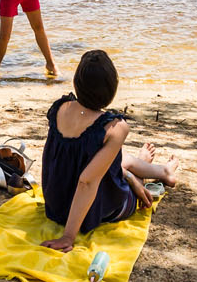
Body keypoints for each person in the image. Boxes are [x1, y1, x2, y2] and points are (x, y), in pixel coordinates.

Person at [39, 49, 183, 252]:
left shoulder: (60, 109)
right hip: (92, 212)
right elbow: (86, 181)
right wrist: (68, 236)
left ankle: (159, 171)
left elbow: (72, 162)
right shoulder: (115, 127)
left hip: (56, 206)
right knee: (122, 170)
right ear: (111, 87)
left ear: (77, 83)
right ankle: (142, 175)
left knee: (116, 157)